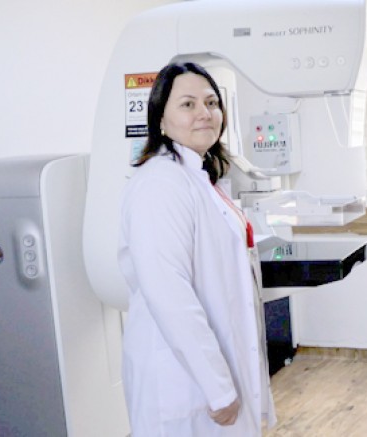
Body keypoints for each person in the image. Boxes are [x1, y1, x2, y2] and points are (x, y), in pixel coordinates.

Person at [118, 62, 276, 436]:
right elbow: (168, 292)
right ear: (161, 119)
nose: (204, 113)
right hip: (184, 384)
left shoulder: (197, 178)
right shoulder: (160, 183)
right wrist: (218, 387)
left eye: (211, 102)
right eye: (188, 104)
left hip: (212, 369)